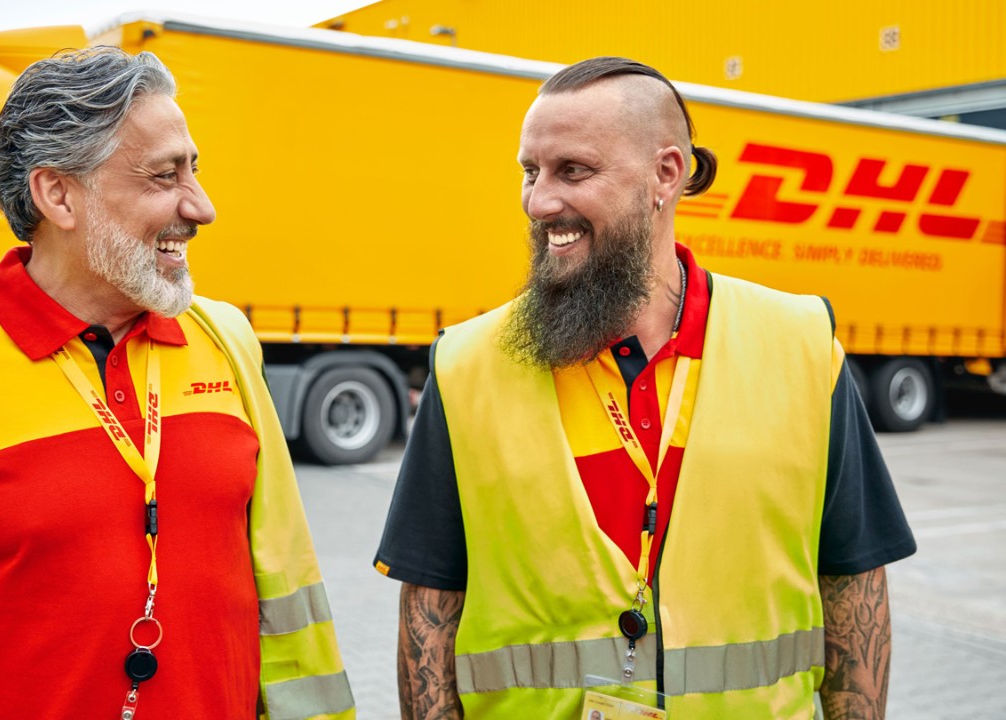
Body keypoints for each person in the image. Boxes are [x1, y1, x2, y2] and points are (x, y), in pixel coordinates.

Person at [0, 47, 354, 720]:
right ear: (57, 195)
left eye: (194, 170)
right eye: (164, 175)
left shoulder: (227, 342)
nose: (201, 207)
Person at [374, 57, 915, 719]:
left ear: (666, 174)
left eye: (573, 170)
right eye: (530, 171)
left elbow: (853, 586)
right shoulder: (466, 365)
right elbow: (430, 613)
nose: (539, 202)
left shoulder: (800, 345)